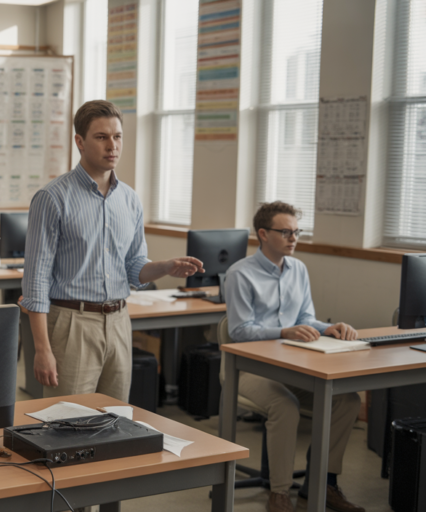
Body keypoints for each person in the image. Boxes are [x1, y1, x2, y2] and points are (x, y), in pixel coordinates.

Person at [20, 100, 203, 402]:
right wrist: (41, 350)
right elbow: (35, 282)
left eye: (117, 137)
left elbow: (134, 267)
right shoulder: (52, 198)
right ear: (80, 142)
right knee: (68, 423)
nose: (112, 146)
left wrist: (165, 267)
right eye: (101, 137)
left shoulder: (129, 199)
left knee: (115, 421)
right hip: (72, 323)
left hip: (119, 320)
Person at [224, 201, 362, 512]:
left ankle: (321, 484)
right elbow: (240, 331)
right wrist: (284, 331)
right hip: (247, 368)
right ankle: (280, 493)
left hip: (292, 365)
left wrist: (330, 328)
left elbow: (306, 318)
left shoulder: (298, 269)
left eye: (297, 232)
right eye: (285, 232)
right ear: (263, 234)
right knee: (285, 405)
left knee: (347, 400)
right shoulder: (240, 274)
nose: (293, 238)